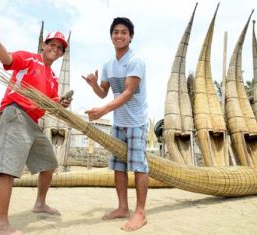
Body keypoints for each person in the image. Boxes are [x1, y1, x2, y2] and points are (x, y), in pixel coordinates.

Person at [0, 18, 71, 235]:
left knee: (49, 164)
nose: (55, 49)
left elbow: (50, 104)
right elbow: (7, 59)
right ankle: (1, 224)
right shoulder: (30, 59)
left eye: (59, 47)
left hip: (33, 122)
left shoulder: (52, 78)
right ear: (43, 44)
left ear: (61, 53)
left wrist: (60, 102)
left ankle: (40, 203)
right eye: (52, 44)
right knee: (8, 168)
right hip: (15, 114)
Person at [82, 17, 149, 232]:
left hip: (136, 122)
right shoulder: (108, 64)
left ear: (131, 37)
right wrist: (94, 85)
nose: (119, 36)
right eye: (116, 32)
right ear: (111, 36)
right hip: (118, 122)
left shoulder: (135, 60)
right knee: (119, 167)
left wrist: (102, 111)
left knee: (138, 166)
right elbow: (103, 93)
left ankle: (140, 212)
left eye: (124, 32)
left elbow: (128, 92)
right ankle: (122, 207)